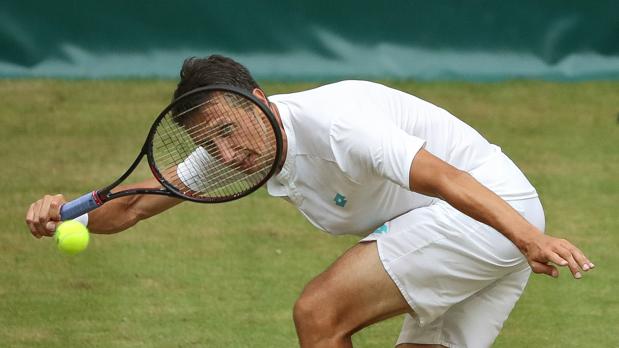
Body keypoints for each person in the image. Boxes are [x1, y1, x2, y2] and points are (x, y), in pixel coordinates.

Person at [25, 55, 594, 348]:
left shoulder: (339, 125)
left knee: (318, 311)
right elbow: (129, 207)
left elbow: (444, 178)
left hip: (487, 210)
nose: (227, 150)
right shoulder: (231, 149)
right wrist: (65, 211)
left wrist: (528, 238)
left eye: (228, 130)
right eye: (208, 143)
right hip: (487, 220)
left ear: (257, 100)